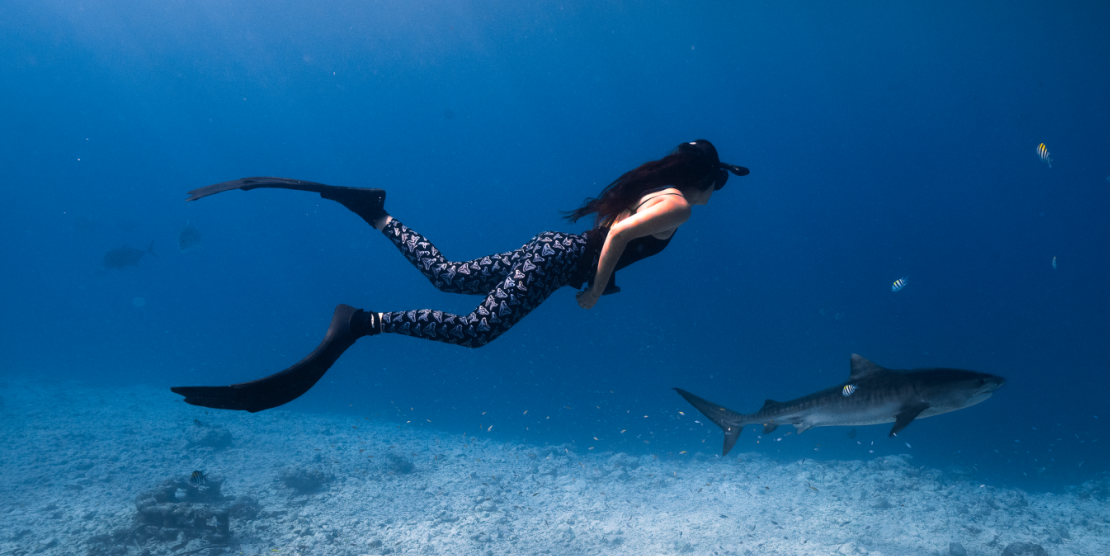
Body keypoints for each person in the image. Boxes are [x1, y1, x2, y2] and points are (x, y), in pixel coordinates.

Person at [171, 139, 748, 412]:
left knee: (446, 276)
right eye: (714, 189)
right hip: (558, 264)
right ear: (704, 183)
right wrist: (595, 292)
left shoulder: (656, 188)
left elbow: (615, 229)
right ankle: (362, 323)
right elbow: (619, 238)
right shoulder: (677, 206)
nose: (710, 199)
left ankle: (375, 212)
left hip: (551, 252)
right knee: (474, 331)